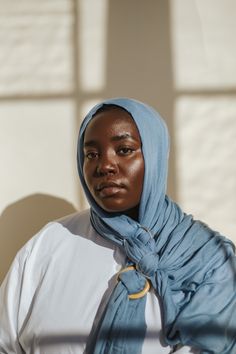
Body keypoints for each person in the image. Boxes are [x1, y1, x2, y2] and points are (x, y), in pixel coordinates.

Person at [0, 98, 235, 354]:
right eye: (91, 154)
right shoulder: (47, 246)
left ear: (155, 155)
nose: (104, 166)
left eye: (124, 150)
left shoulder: (211, 261)